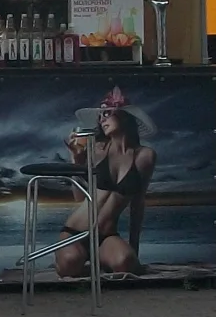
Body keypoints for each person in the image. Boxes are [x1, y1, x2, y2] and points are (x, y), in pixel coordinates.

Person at [56, 86, 157, 279]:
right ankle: (77, 259)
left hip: (106, 236)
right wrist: (76, 164)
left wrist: (134, 248)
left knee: (126, 263)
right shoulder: (97, 149)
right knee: (69, 264)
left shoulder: (145, 156)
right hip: (75, 231)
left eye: (107, 113)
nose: (102, 119)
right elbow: (79, 198)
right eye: (100, 116)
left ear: (124, 116)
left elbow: (138, 204)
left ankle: (99, 259)